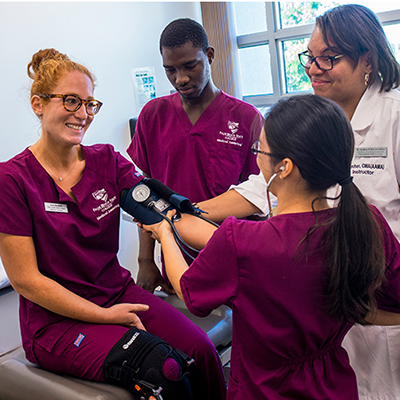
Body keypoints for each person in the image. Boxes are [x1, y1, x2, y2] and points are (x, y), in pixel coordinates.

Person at [0, 48, 226, 400]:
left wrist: (236, 248)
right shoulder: (12, 180)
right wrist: (104, 316)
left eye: (90, 104)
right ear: (38, 104)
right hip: (55, 323)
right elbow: (26, 281)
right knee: (162, 368)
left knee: (201, 351)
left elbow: (168, 212)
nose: (83, 114)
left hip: (117, 294)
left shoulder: (106, 160)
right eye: (71, 101)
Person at [141, 94, 400, 400]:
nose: (257, 157)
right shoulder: (365, 223)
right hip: (334, 385)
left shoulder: (241, 241)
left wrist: (165, 234)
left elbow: (189, 292)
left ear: (284, 167)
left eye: (260, 150)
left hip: (263, 390)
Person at [127, 18, 262, 293]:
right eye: (170, 70)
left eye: (190, 66)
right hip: (176, 258)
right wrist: (145, 260)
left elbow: (258, 200)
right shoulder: (152, 116)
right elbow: (145, 193)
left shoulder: (246, 119)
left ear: (209, 55)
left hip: (232, 260)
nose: (181, 79)